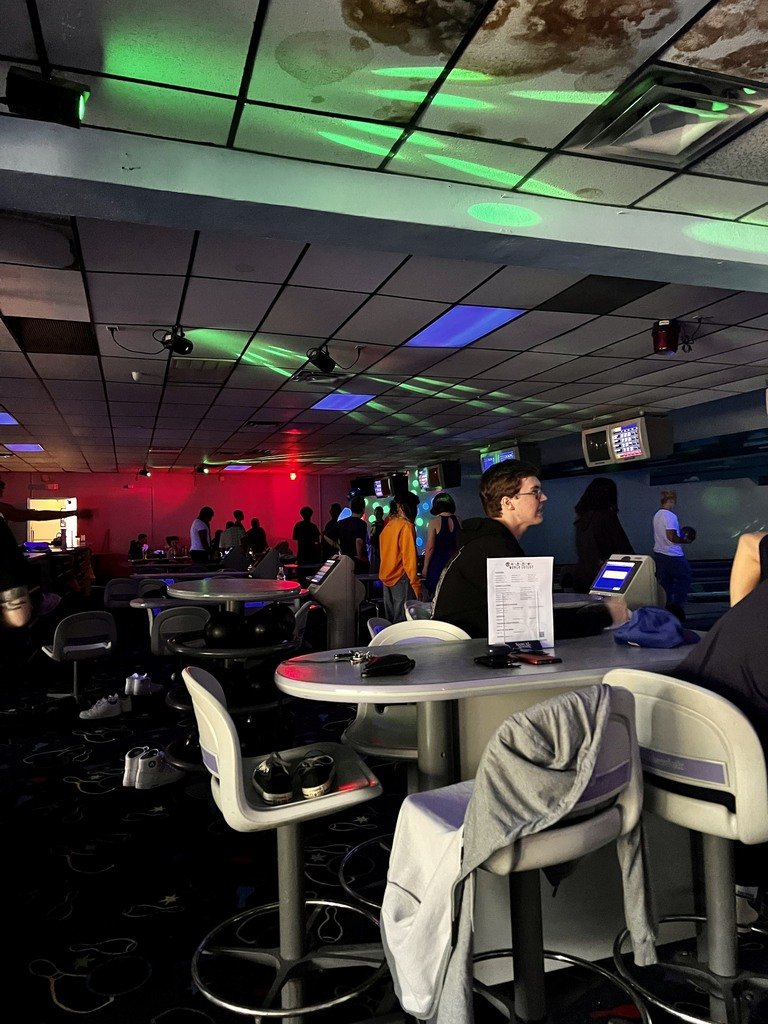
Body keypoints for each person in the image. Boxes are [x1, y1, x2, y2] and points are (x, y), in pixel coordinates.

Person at [673, 535, 768, 924]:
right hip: (736, 786)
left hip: (678, 763)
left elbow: (749, 544)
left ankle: (743, 892)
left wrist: (736, 619)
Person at [432, 461, 629, 639]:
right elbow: (532, 626)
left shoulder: (486, 543)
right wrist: (606, 616)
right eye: (534, 491)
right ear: (507, 502)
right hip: (472, 662)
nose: (544, 497)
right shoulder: (494, 549)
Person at [0, 478, 79, 627]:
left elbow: (36, 516)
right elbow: (36, 516)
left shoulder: (4, 510)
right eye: (1, 487)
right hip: (8, 580)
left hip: (9, 579)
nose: (3, 490)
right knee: (18, 620)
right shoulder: (3, 510)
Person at [572, 478, 634, 593]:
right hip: (604, 576)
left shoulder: (581, 517)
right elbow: (623, 546)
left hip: (582, 576)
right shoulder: (606, 516)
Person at [379, 491, 421, 623]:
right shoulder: (406, 526)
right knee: (401, 621)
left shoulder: (389, 525)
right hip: (400, 578)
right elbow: (409, 559)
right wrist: (416, 585)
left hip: (386, 578)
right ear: (406, 507)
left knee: (390, 619)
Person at [652, 489, 693, 616]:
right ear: (671, 500)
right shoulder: (670, 516)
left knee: (666, 583)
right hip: (673, 555)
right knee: (685, 578)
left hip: (659, 554)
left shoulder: (657, 515)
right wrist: (684, 540)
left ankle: (666, 608)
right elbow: (671, 536)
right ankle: (678, 607)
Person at [421, 492, 461, 598]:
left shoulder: (434, 522)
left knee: (437, 596)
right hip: (454, 564)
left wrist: (425, 568)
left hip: (437, 564)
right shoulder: (459, 521)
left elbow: (430, 548)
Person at [336, 495, 370, 574]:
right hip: (358, 563)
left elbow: (327, 536)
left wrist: (338, 547)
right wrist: (361, 557)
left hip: (345, 560)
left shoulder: (341, 523)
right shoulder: (361, 524)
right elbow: (358, 541)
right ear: (363, 509)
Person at [369, 505, 386, 572]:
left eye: (379, 513)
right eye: (376, 513)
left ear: (382, 514)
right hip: (373, 547)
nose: (377, 515)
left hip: (380, 547)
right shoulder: (373, 523)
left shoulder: (384, 524)